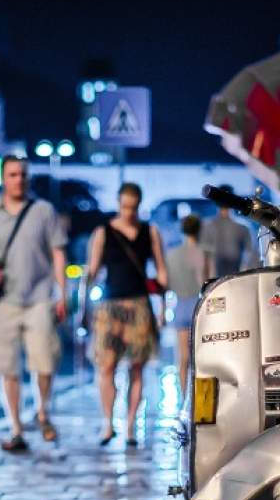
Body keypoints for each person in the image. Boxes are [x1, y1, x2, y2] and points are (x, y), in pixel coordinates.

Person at [0, 154, 68, 452]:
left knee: (45, 361)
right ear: (3, 178)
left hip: (39, 296)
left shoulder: (43, 211)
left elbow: (58, 253)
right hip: (4, 302)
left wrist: (62, 293)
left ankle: (42, 412)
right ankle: (15, 427)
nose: (18, 180)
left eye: (22, 174)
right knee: (7, 367)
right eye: (12, 175)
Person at [84, 182, 169, 447]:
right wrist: (83, 304)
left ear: (139, 205)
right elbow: (93, 269)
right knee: (106, 365)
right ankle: (108, 423)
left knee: (137, 368)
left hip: (139, 304)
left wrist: (163, 307)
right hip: (110, 307)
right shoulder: (103, 232)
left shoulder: (149, 232)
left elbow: (161, 270)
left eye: (133, 207)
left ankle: (131, 425)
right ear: (118, 203)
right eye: (124, 206)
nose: (128, 212)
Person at [165, 214, 209, 389]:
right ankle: (199, 400)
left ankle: (185, 399)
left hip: (180, 306)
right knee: (200, 357)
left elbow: (167, 283)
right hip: (198, 307)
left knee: (182, 358)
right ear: (199, 229)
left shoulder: (172, 254)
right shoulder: (201, 252)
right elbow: (204, 281)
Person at [201, 183, 258, 277]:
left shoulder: (243, 227)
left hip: (233, 276)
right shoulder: (243, 226)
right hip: (221, 277)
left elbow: (251, 254)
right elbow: (204, 257)